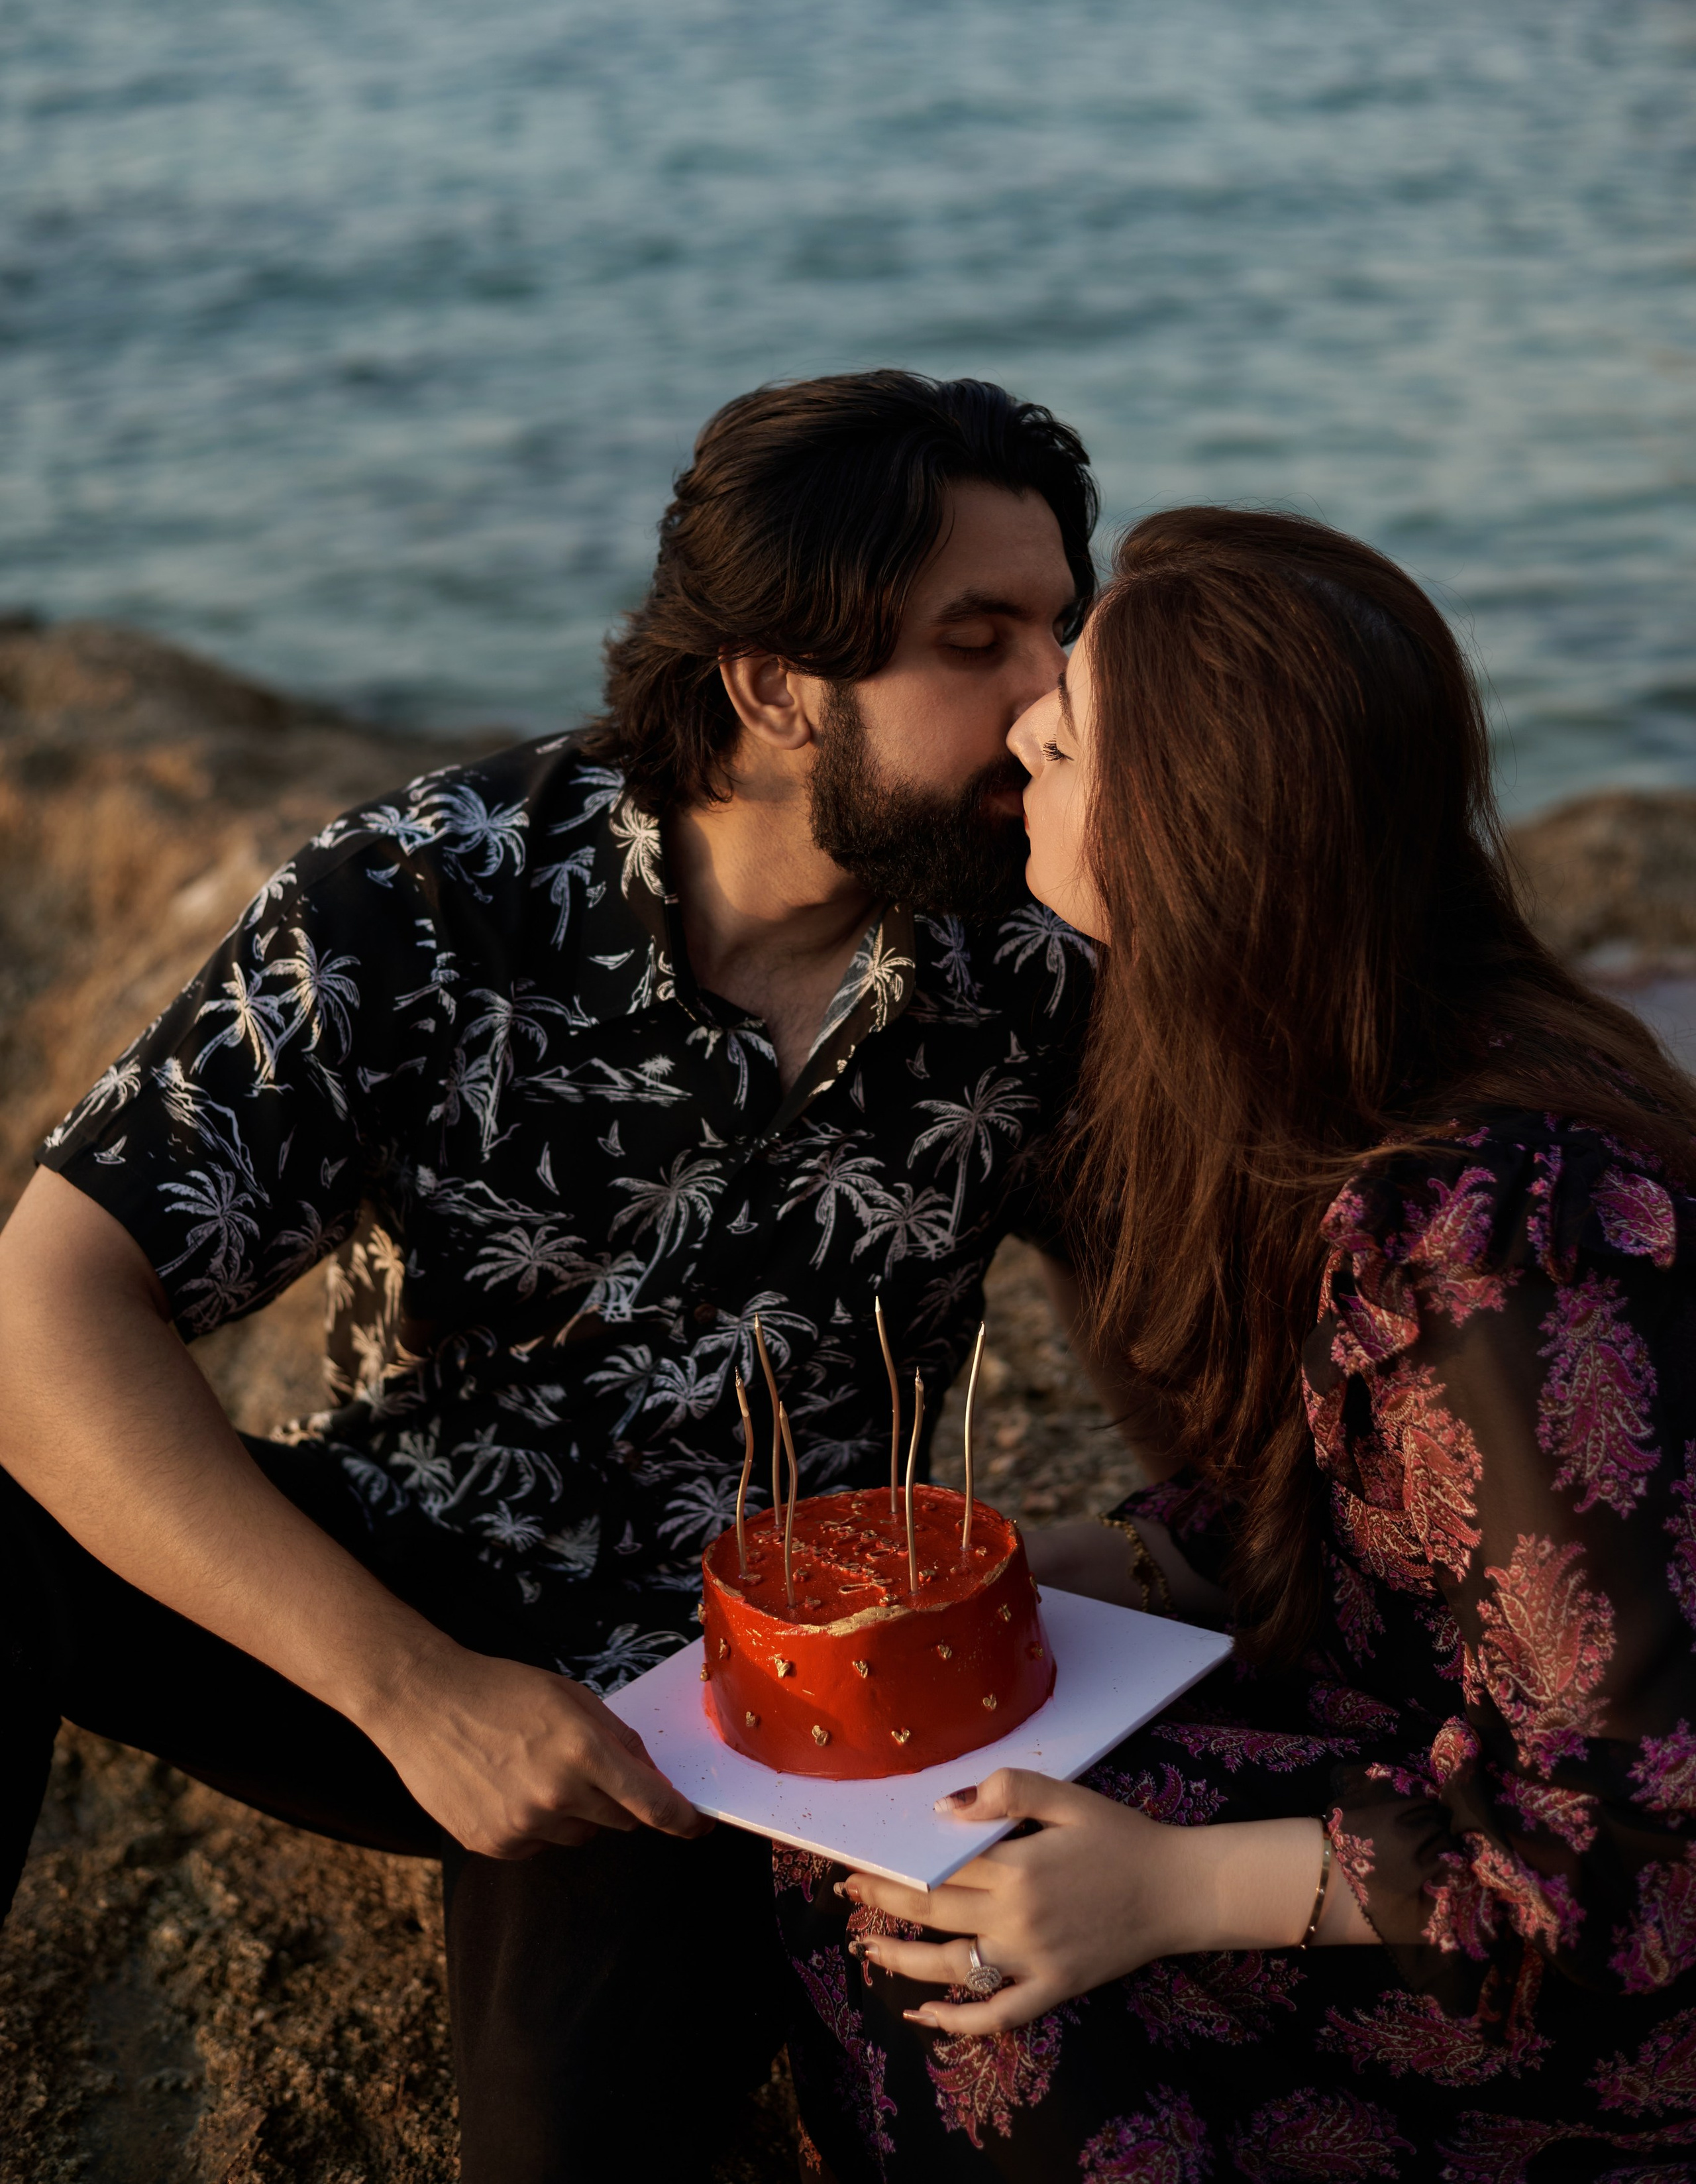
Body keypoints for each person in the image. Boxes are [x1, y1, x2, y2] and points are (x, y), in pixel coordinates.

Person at [0, 372, 1103, 2184]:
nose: (1049, 697)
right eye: (973, 640)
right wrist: (407, 1686)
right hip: (406, 1575)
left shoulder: (1037, 946)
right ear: (768, 682)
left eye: (1061, 627)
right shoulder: (428, 897)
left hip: (764, 1691)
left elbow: (1215, 1305)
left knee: (568, 2148)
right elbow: (45, 1302)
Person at [780, 507, 1696, 2183]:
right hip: (1439, 1782)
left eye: (1054, 746)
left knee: (949, 1923)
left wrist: (1161, 1890)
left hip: (1608, 1982)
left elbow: (1631, 1849)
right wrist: (1063, 1564)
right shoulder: (1358, 1075)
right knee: (891, 1790)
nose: (1012, 751)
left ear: (1192, 839)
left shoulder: (1497, 1238)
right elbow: (1414, 1541)